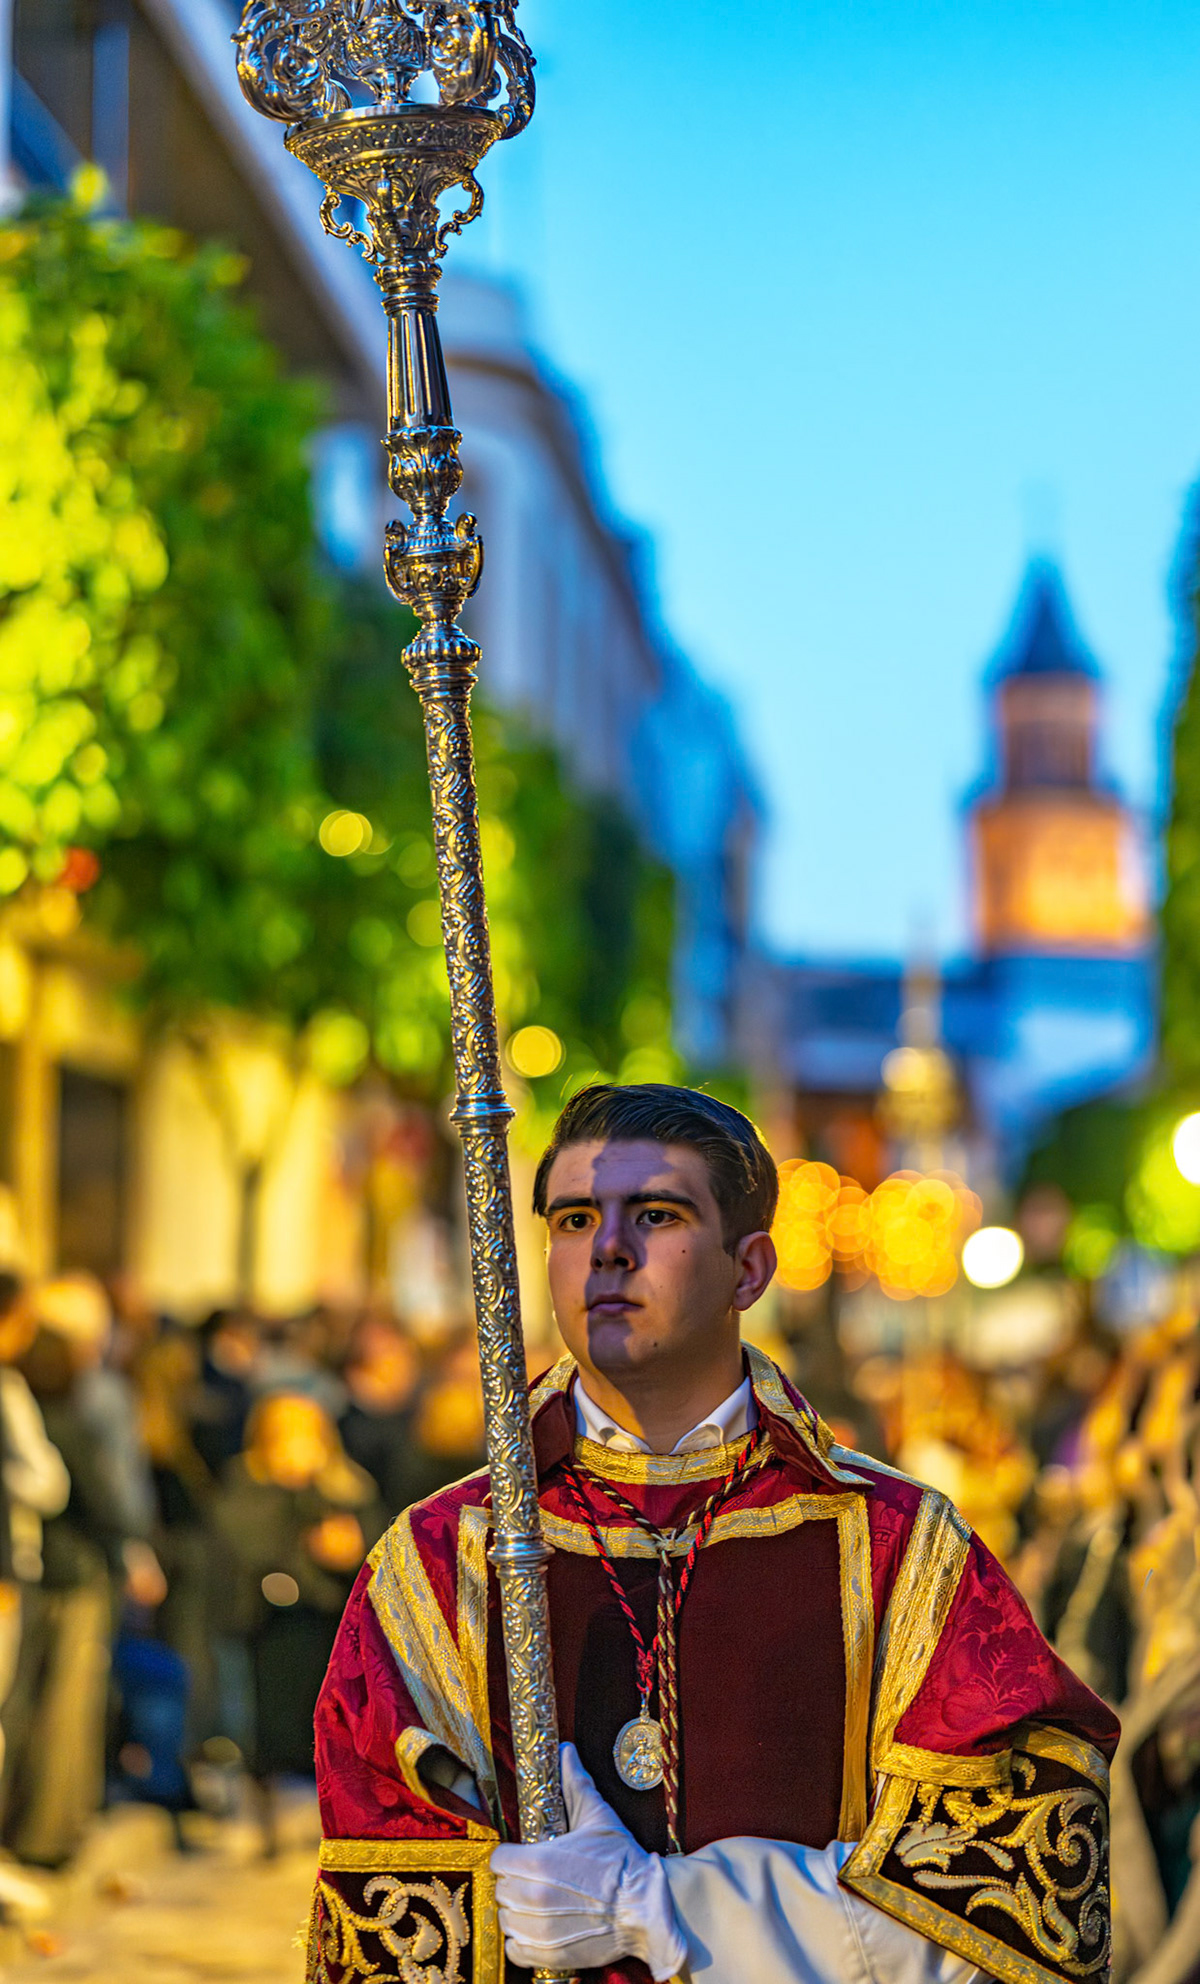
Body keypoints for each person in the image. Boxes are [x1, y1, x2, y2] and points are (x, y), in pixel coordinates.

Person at [312, 1084, 1119, 1984]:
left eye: (655, 1214)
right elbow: (381, 1906)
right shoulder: (437, 1561)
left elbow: (1036, 1900)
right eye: (575, 1220)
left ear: (750, 1269)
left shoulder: (899, 1547)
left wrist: (665, 1910)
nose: (608, 1251)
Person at [210, 1390, 384, 1848]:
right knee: (270, 1720)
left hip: (329, 1620)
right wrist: (289, 1490)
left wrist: (345, 1545)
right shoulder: (245, 1482)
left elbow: (373, 1542)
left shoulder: (347, 1484)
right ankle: (265, 1810)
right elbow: (245, 1545)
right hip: (270, 1625)